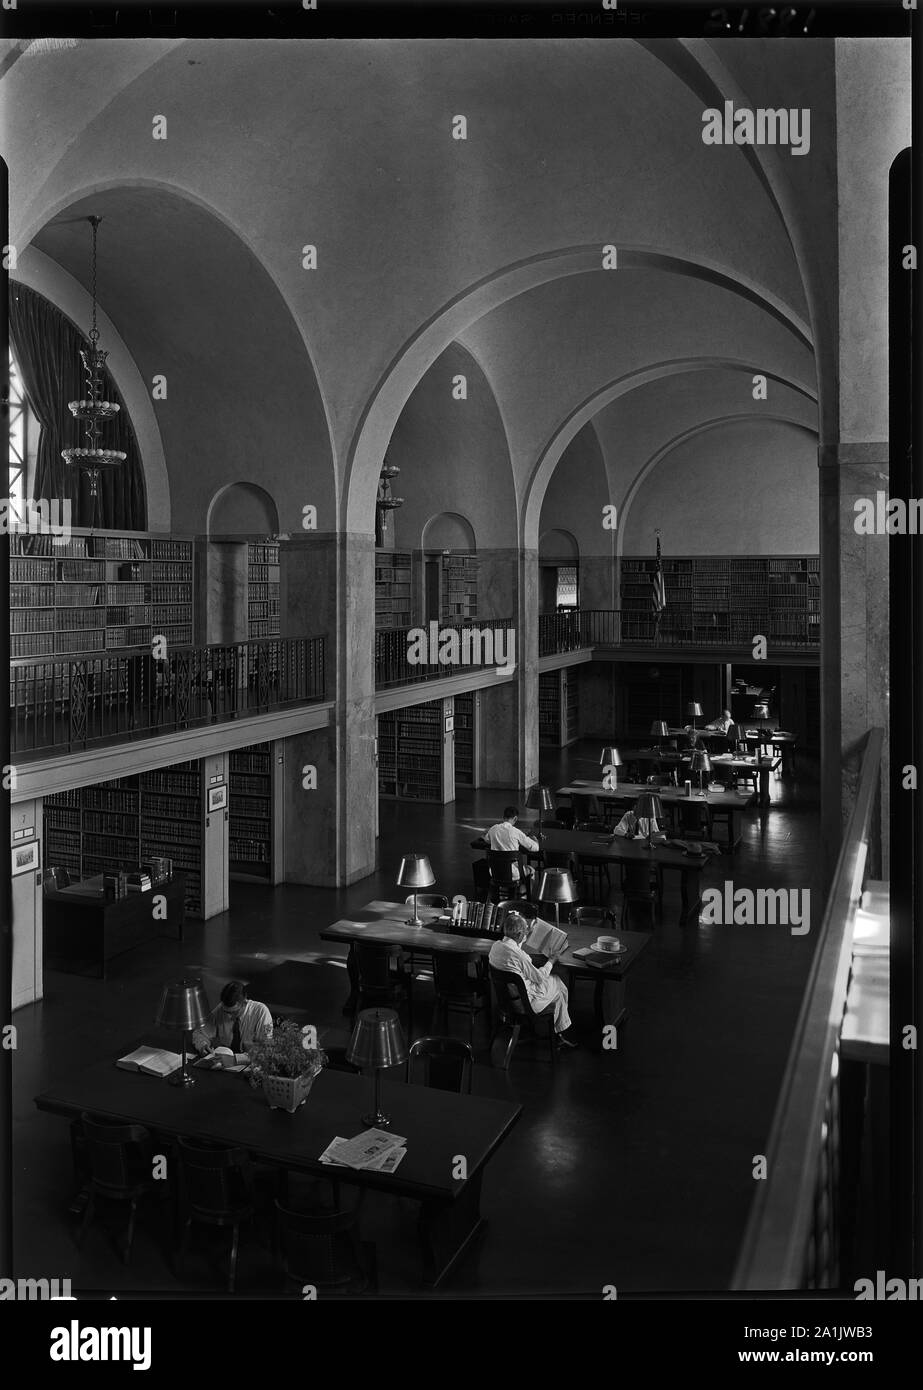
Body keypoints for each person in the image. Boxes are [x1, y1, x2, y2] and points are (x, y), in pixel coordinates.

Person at [488, 911, 576, 1045]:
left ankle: (558, 1032)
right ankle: (559, 1034)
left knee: (557, 989)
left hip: (505, 1001)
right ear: (518, 935)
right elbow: (539, 978)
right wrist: (551, 960)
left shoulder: (496, 946)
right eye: (525, 933)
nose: (526, 935)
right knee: (558, 982)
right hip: (525, 1005)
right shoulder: (518, 956)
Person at [192, 981, 273, 1067]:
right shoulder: (221, 1009)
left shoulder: (261, 1012)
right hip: (224, 1064)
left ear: (244, 1003)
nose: (228, 1016)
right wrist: (203, 1045)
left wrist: (235, 1060)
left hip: (249, 1066)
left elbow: (266, 1051)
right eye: (226, 1012)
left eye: (234, 1012)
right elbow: (199, 1033)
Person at [485, 806, 539, 888]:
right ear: (515, 818)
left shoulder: (493, 829)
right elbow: (535, 848)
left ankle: (503, 896)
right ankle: (523, 895)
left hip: (495, 872)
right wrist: (535, 840)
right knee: (531, 870)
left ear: (503, 817)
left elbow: (487, 839)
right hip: (513, 873)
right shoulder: (516, 832)